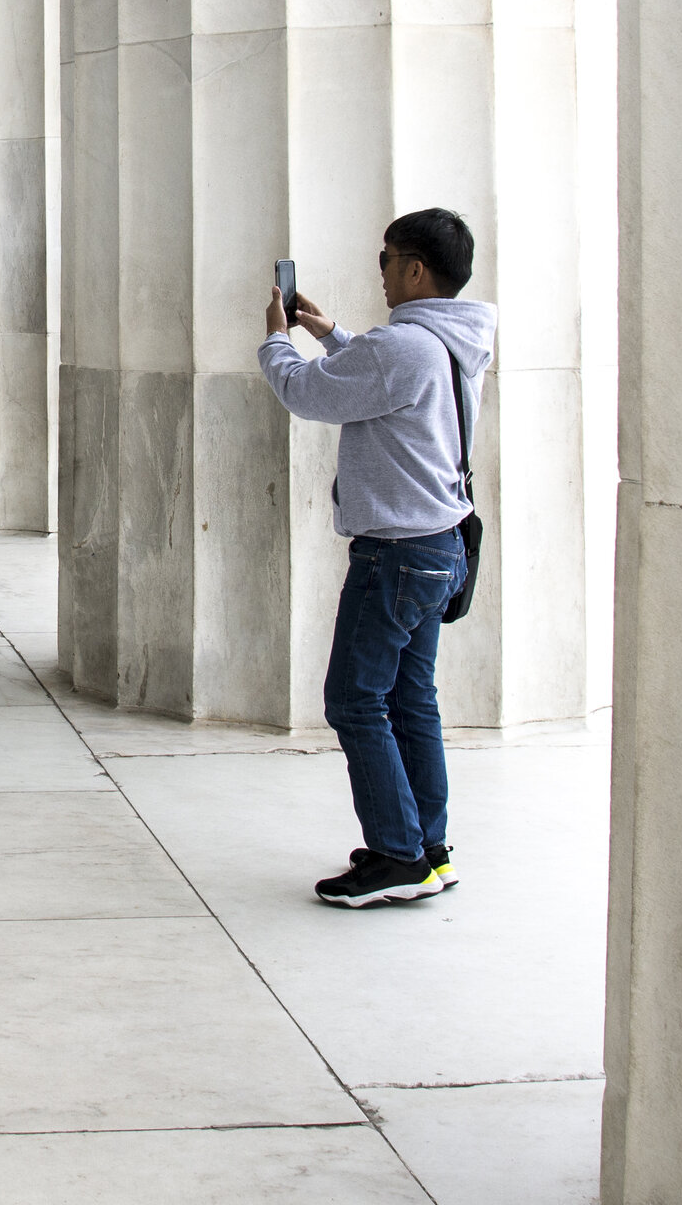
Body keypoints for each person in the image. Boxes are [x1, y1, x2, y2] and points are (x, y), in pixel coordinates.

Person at [259, 208, 495, 909]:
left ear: (416, 268)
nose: (382, 273)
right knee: (410, 700)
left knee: (354, 701)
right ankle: (428, 846)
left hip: (393, 555)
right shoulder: (449, 342)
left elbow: (304, 391)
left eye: (388, 260)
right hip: (437, 545)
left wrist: (278, 339)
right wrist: (330, 333)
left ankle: (396, 856)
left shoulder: (404, 349)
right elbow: (383, 374)